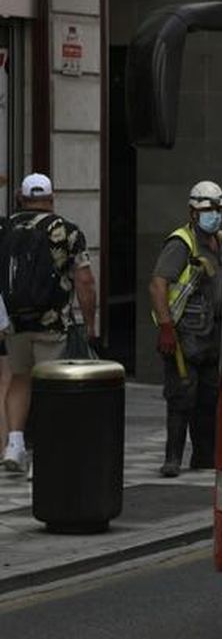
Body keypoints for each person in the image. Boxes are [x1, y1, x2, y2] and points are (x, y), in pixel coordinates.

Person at [0, 174, 97, 474]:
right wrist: (90, 323)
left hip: (14, 323)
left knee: (19, 378)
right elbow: (84, 280)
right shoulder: (66, 231)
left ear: (21, 198)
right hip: (52, 324)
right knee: (48, 386)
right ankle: (41, 457)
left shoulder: (6, 229)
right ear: (52, 199)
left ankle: (14, 445)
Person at [150, 181, 222, 477]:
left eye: (218, 209)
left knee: (208, 398)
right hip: (184, 335)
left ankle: (204, 456)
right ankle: (172, 459)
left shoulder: (221, 242)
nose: (215, 215)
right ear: (193, 212)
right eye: (208, 209)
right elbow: (158, 285)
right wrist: (166, 328)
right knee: (182, 396)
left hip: (213, 335)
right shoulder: (181, 243)